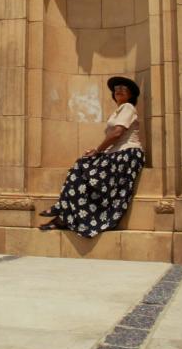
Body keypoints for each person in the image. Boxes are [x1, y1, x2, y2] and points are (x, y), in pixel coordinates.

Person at [39, 76, 145, 237]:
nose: (118, 90)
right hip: (117, 153)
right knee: (82, 168)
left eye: (124, 87)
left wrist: (97, 150)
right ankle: (64, 214)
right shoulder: (118, 111)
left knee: (83, 167)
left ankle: (62, 211)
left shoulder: (128, 107)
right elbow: (114, 139)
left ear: (131, 94)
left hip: (127, 154)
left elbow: (117, 133)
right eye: (116, 88)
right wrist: (99, 152)